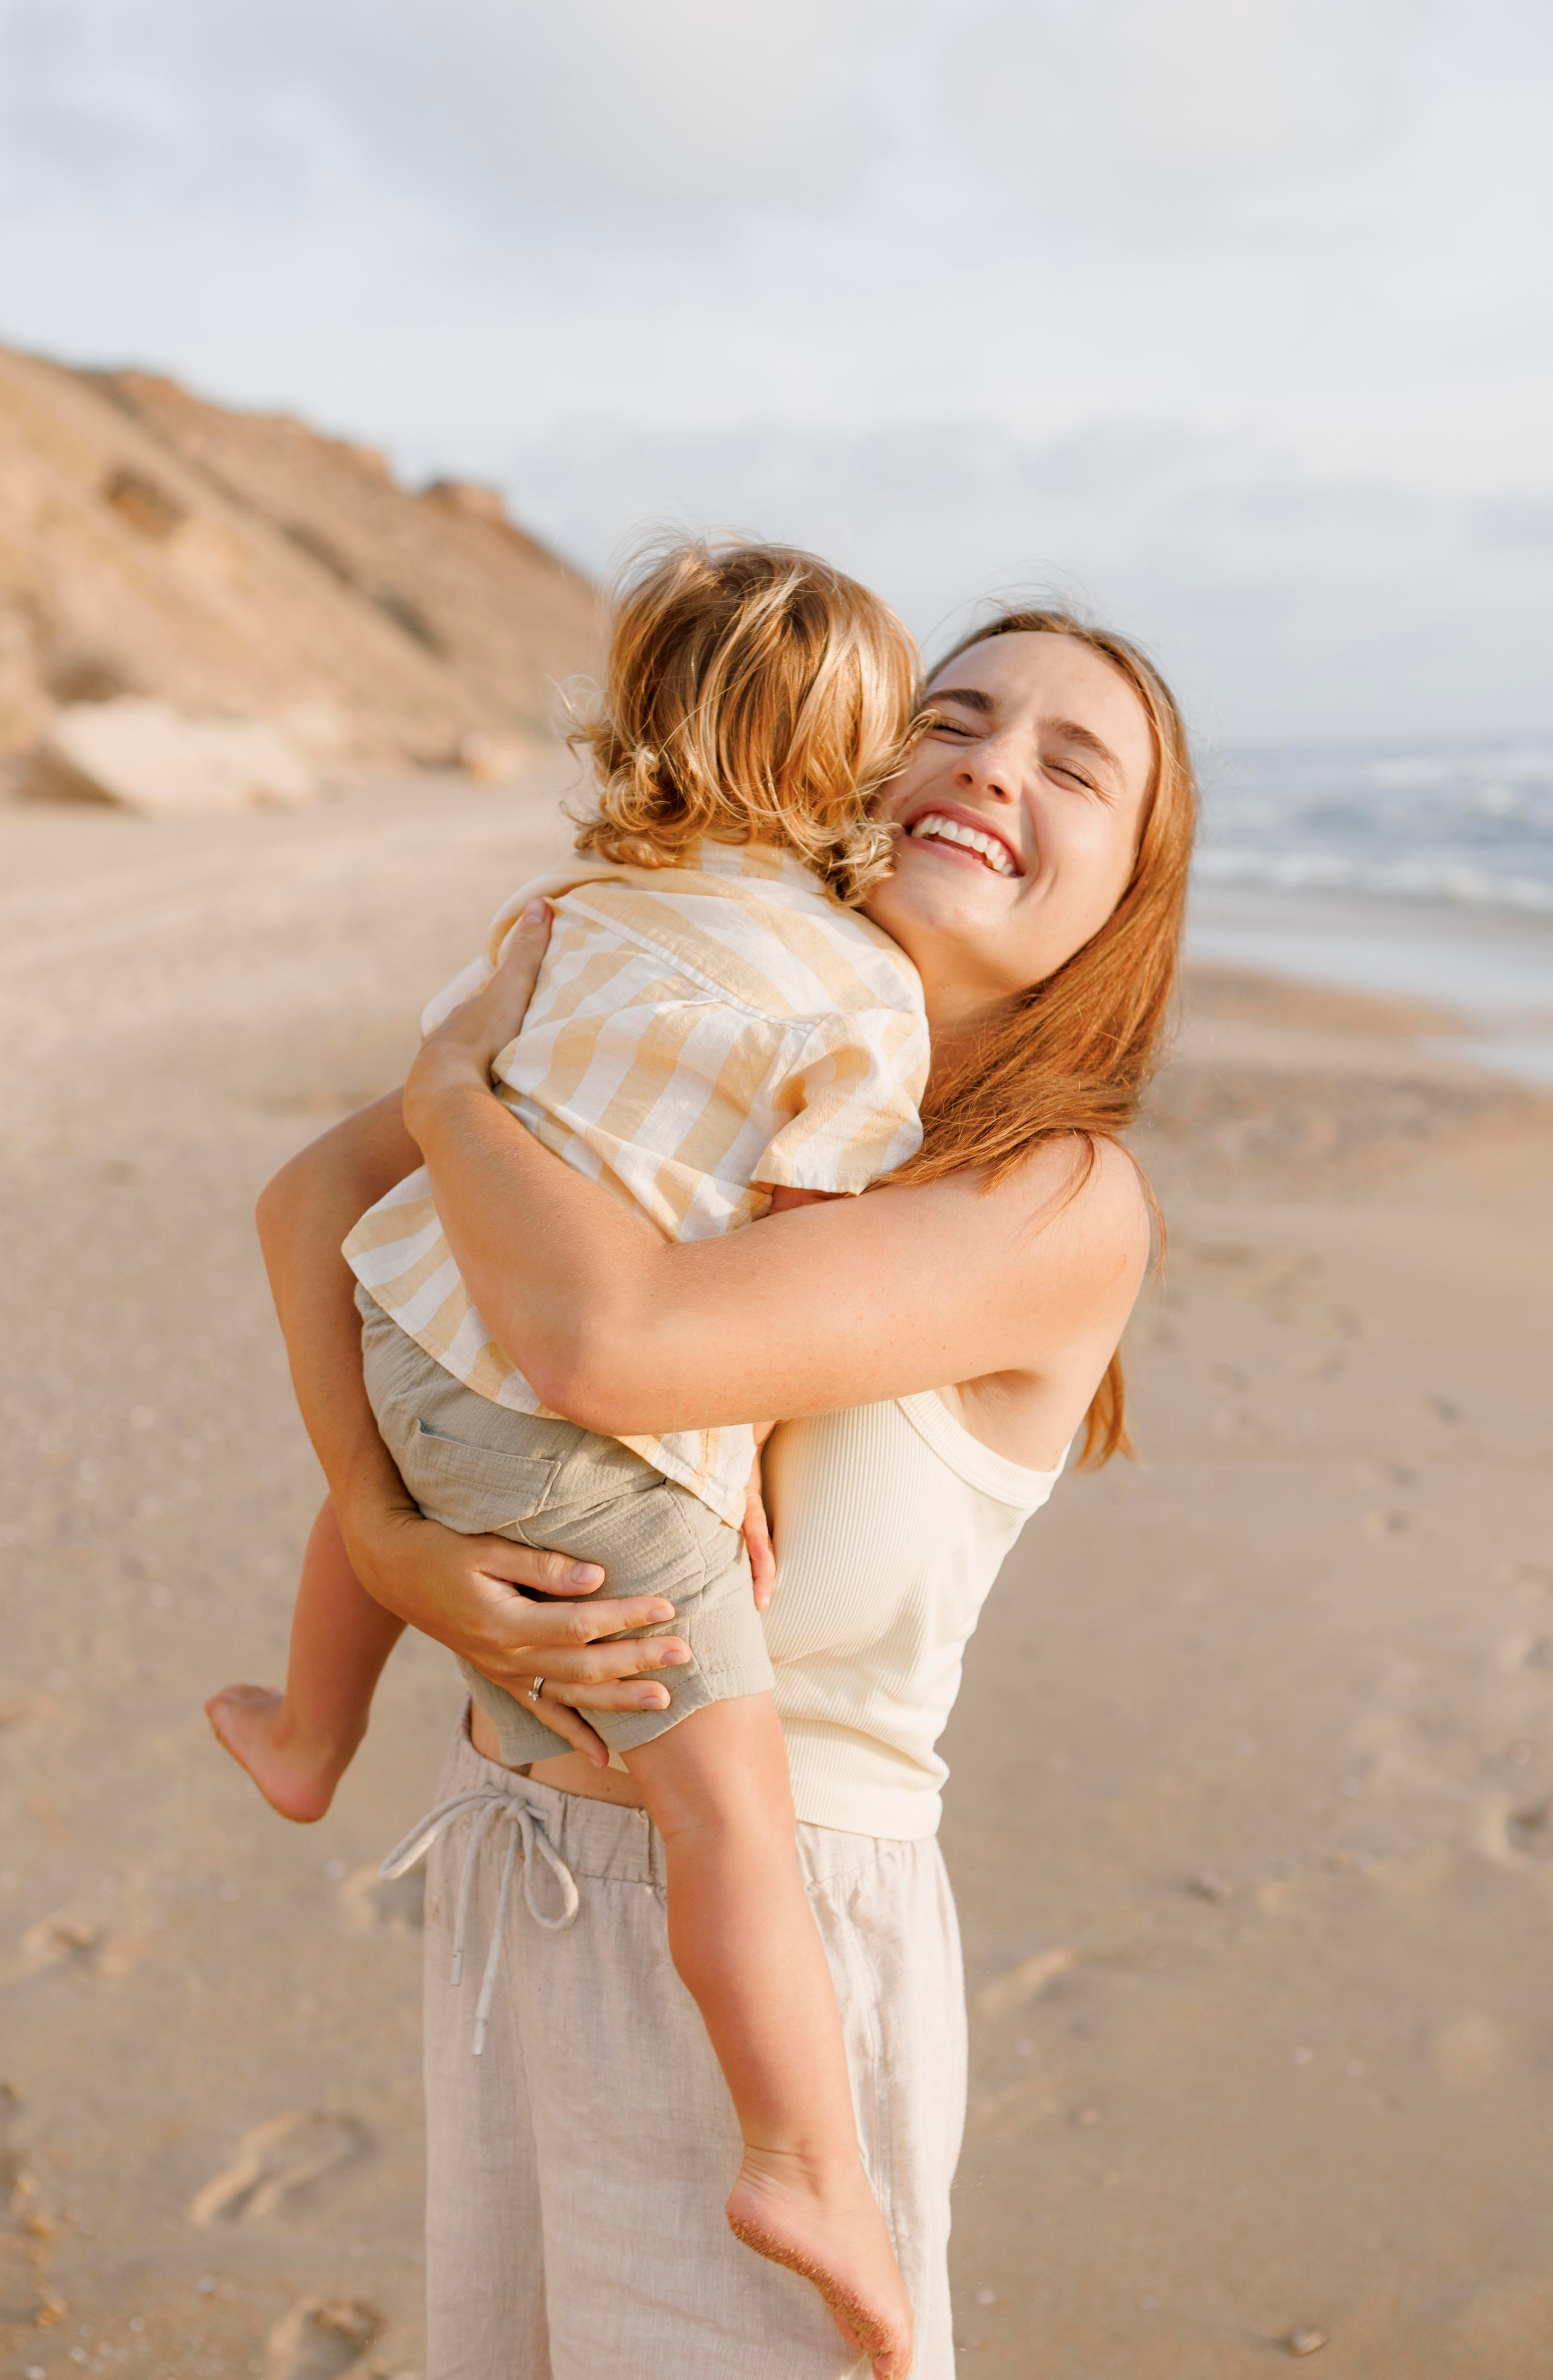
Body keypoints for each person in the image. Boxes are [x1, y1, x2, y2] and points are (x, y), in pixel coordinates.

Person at [252, 608, 1196, 2376]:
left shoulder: (1062, 1201)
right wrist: (382, 1539)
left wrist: (456, 1097)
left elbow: (599, 1347)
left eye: (1074, 766)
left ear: (1125, 900)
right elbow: (312, 1213)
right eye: (960, 719)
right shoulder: (684, 1055)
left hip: (784, 1938)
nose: (995, 763)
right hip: (521, 1874)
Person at [212, 537, 936, 2369]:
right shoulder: (856, 992)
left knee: (397, 1478)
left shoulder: (569, 921)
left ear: (653, 725)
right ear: (859, 761)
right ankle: (796, 2156)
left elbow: (466, 1131)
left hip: (415, 1333)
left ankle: (308, 1734)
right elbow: (776, 1252)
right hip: (571, 1417)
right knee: (732, 1819)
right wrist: (738, 1480)